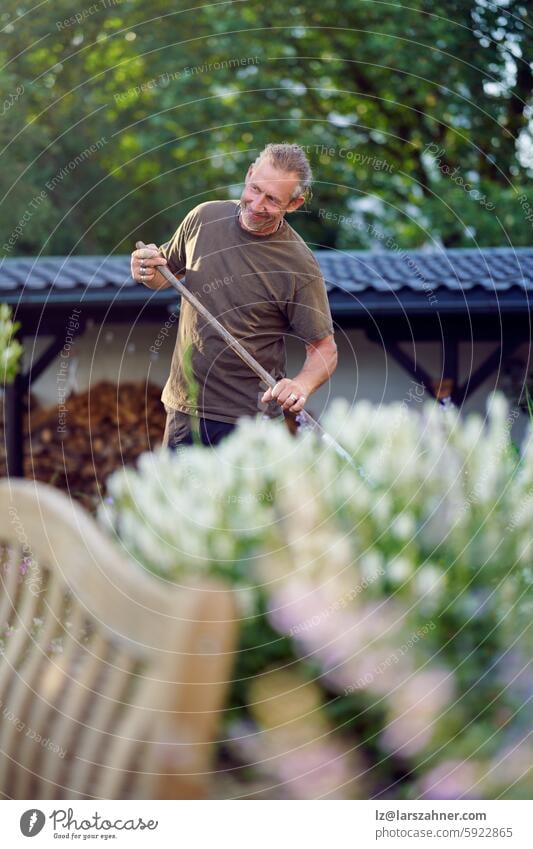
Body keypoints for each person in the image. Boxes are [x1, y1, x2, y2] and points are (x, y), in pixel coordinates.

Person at [130, 143, 338, 448]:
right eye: (255, 189)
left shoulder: (298, 264)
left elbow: (325, 349)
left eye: (271, 199)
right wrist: (145, 269)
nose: (256, 204)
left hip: (252, 424)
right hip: (184, 411)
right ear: (249, 173)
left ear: (294, 204)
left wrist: (300, 385)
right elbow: (166, 276)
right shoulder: (203, 218)